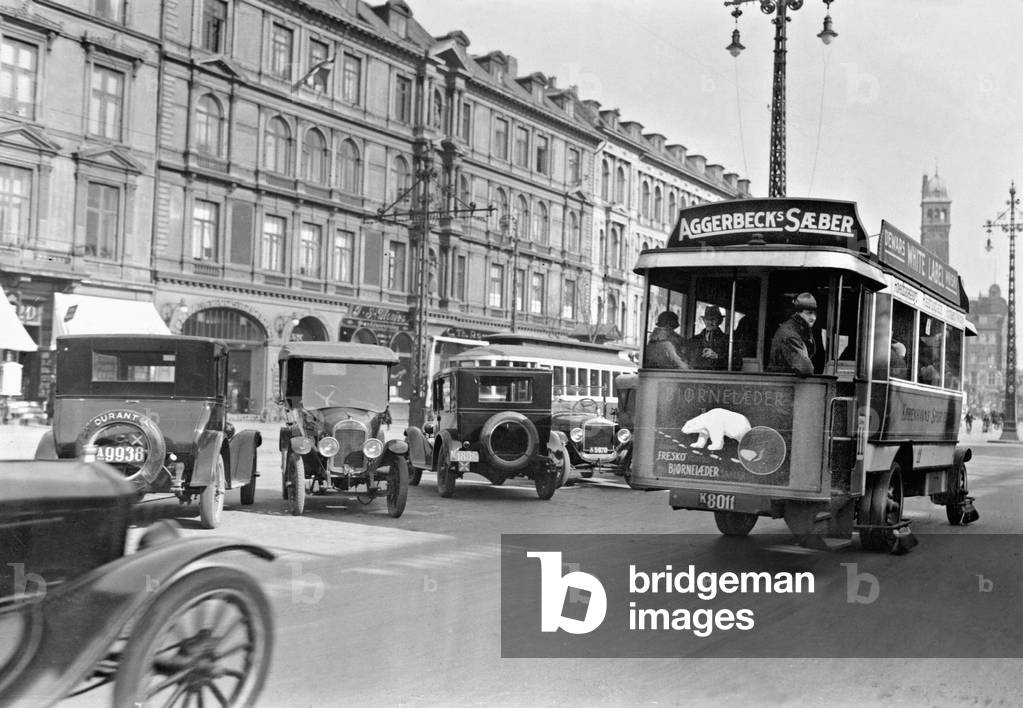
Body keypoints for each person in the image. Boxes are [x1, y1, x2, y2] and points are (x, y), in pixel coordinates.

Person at [767, 292, 818, 376]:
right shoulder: (790, 334)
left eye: (815, 313)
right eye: (809, 313)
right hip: (783, 384)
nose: (813, 317)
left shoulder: (797, 330)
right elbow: (806, 368)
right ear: (798, 313)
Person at [689, 305, 730, 370]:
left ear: (720, 321)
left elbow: (737, 363)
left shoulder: (728, 340)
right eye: (707, 319)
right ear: (704, 320)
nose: (710, 322)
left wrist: (717, 356)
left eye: (713, 319)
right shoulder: (695, 339)